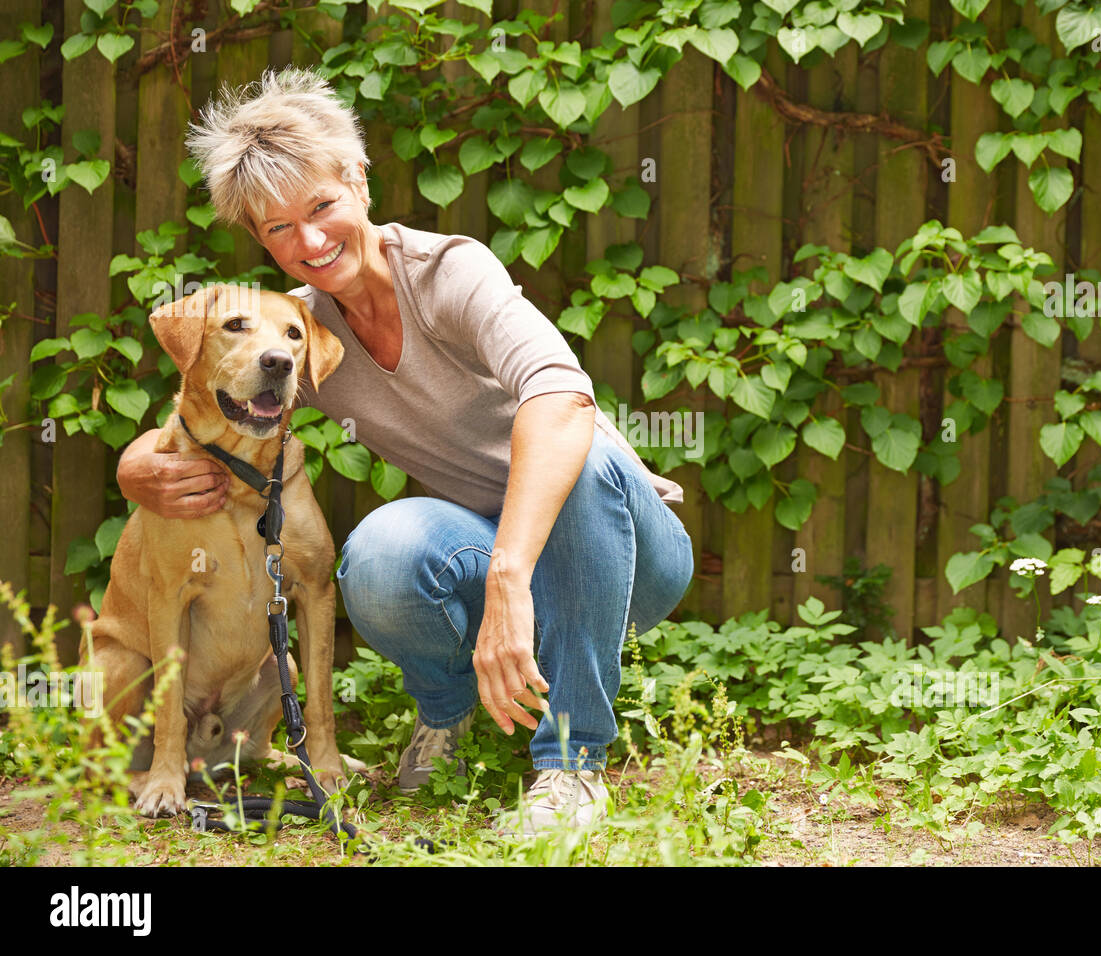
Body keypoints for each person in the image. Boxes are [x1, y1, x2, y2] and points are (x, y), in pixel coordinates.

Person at [115, 65, 694, 835]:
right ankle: (446, 722)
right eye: (279, 228)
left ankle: (571, 765)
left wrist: (511, 577)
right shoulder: (303, 336)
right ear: (259, 237)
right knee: (380, 549)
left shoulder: (449, 272)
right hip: (488, 546)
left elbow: (562, 399)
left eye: (322, 206)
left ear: (358, 178)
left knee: (581, 455)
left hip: (617, 554)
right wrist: (133, 466)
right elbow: (208, 390)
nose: (311, 241)